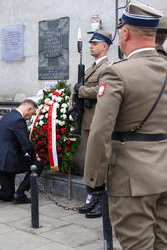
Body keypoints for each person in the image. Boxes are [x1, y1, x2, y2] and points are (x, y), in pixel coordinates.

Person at [83, 1, 167, 249]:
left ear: (126, 32)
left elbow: (100, 132)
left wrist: (94, 181)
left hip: (132, 179)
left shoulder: (118, 73)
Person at [73, 29, 112, 218]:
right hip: (87, 119)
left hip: (97, 120)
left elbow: (101, 91)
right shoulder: (91, 67)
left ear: (105, 46)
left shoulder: (107, 68)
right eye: (91, 43)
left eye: (95, 43)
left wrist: (81, 91)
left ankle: (100, 201)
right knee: (89, 161)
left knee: (98, 162)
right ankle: (92, 198)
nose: (91, 46)